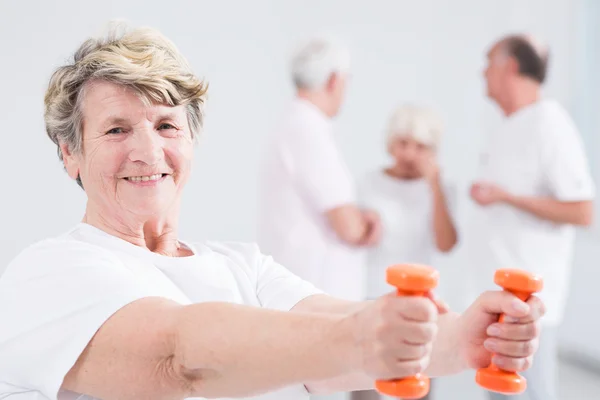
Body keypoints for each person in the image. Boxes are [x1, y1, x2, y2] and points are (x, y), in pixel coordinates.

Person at [0, 23, 545, 400]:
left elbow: (335, 328)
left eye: (167, 125)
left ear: (191, 142)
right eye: (117, 129)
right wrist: (359, 337)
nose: (147, 151)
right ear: (70, 153)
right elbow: (177, 355)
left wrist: (462, 340)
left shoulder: (245, 266)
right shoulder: (48, 271)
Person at [464, 34, 595, 400]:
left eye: (488, 63)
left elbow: (583, 210)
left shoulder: (550, 124)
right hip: (497, 300)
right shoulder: (506, 126)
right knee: (500, 393)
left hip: (529, 306)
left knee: (528, 393)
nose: (482, 72)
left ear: (510, 67)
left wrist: (506, 197)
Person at [257, 35, 380, 302]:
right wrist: (366, 224)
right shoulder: (308, 130)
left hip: (298, 289)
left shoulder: (292, 124)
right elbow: (348, 226)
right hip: (316, 296)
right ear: (334, 80)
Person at [351, 105, 458, 400]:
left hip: (422, 301)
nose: (410, 154)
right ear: (390, 144)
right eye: (403, 144)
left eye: (421, 146)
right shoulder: (367, 183)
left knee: (417, 386)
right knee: (364, 384)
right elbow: (354, 236)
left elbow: (446, 243)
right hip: (372, 294)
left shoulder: (442, 188)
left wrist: (434, 185)